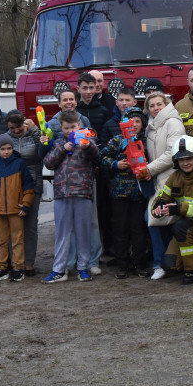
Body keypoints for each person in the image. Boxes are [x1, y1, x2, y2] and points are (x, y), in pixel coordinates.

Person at [150, 136, 193, 284]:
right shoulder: (175, 177)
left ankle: (192, 272)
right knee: (169, 266)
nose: (185, 163)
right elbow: (162, 197)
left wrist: (178, 208)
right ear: (176, 161)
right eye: (181, 160)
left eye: (189, 159)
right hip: (186, 227)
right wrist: (157, 207)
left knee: (181, 226)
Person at [41, 110, 100, 283]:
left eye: (73, 127)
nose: (70, 130)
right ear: (61, 127)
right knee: (62, 233)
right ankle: (58, 269)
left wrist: (87, 146)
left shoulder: (87, 141)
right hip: (62, 194)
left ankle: (83, 267)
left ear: (79, 125)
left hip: (82, 192)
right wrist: (62, 148)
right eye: (66, 128)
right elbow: (48, 163)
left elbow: (95, 155)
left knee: (83, 232)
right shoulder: (58, 143)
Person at [100, 107, 151, 278]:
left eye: (138, 121)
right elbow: (102, 157)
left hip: (138, 193)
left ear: (143, 124)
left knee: (138, 229)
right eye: (131, 121)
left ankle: (139, 263)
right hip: (119, 192)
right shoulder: (117, 140)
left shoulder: (146, 141)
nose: (134, 125)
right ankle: (122, 264)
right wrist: (116, 164)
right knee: (120, 229)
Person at [143, 91, 186, 279]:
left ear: (166, 104)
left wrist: (148, 169)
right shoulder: (152, 127)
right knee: (161, 221)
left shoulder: (172, 123)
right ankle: (169, 262)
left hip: (169, 178)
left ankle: (161, 263)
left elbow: (171, 153)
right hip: (157, 179)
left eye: (159, 104)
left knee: (153, 218)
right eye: (151, 106)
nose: (155, 108)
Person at [0, 133, 36, 282]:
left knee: (18, 239)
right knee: (1, 240)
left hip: (16, 210)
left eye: (9, 148)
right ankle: (2, 267)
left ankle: (18, 268)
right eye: (3, 149)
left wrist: (25, 205)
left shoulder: (19, 164)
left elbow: (28, 185)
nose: (6, 151)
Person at [76, 72, 112, 268]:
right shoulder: (75, 111)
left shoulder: (104, 109)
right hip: (79, 168)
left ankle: (104, 250)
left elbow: (104, 138)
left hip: (99, 164)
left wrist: (99, 163)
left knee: (102, 210)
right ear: (79, 89)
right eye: (85, 88)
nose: (89, 92)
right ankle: (83, 253)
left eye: (92, 88)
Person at [6, 110, 45, 276]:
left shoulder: (33, 134)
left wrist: (35, 130)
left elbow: (43, 151)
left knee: (30, 227)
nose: (16, 130)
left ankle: (28, 263)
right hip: (11, 187)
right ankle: (15, 262)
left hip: (32, 185)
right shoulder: (5, 138)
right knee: (12, 227)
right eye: (12, 127)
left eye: (19, 127)